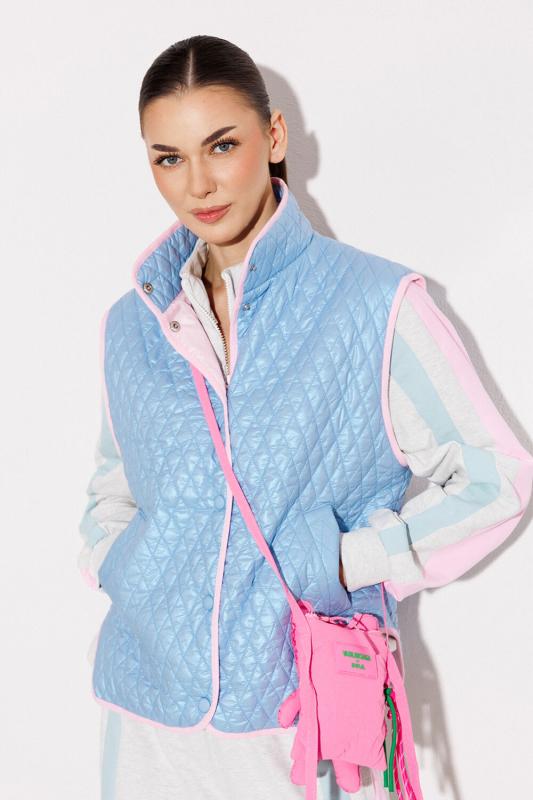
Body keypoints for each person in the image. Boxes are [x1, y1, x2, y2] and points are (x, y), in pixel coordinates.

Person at [77, 35, 533, 800]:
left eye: (222, 145)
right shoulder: (133, 323)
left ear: (275, 136)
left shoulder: (374, 304)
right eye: (168, 157)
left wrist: (347, 562)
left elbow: (496, 478)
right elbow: (112, 488)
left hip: (306, 712)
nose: (198, 183)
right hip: (145, 713)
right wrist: (122, 565)